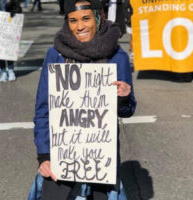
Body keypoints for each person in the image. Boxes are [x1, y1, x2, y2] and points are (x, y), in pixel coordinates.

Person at [29, 0, 136, 199]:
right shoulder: (56, 55)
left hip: (100, 159)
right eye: (73, 20)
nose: (80, 26)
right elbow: (43, 110)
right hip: (61, 157)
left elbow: (127, 111)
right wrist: (44, 156)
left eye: (86, 18)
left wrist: (124, 96)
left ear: (98, 17)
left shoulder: (116, 56)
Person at [0, 0, 22, 82]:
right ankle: (3, 72)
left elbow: (19, 9)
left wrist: (13, 13)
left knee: (8, 48)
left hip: (10, 23)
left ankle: (11, 71)